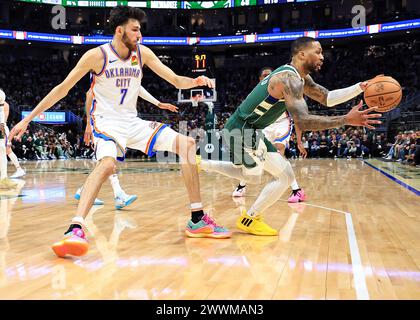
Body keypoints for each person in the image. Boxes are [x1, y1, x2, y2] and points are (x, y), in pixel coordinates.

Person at [10, 6, 231, 258]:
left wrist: (194, 82)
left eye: (140, 30)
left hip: (132, 121)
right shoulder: (97, 56)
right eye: (135, 29)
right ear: (119, 30)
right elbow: (62, 89)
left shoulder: (143, 53)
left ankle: (197, 218)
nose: (140, 34)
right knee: (106, 166)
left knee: (188, 145)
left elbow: (175, 79)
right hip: (106, 122)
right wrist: (27, 119)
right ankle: (75, 228)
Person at [199, 36, 381, 236]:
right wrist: (346, 119)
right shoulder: (289, 79)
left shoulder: (300, 77)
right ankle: (250, 218)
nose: (322, 56)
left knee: (251, 175)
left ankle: (203, 163)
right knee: (284, 174)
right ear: (302, 54)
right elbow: (303, 121)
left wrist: (359, 87)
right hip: (242, 129)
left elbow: (326, 98)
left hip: (244, 128)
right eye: (318, 52)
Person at [231, 67, 308, 203]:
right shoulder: (257, 93)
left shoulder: (284, 87)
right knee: (254, 154)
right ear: (261, 79)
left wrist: (299, 141)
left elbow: (298, 115)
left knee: (278, 151)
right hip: (263, 125)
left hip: (281, 123)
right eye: (265, 75)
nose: (270, 76)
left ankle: (296, 190)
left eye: (271, 74)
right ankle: (242, 185)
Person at [0, 89, 26, 178]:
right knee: (6, 151)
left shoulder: (5, 105)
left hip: (2, 128)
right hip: (3, 128)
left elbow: (3, 121)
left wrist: (3, 134)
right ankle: (18, 169)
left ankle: (19, 169)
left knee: (7, 150)